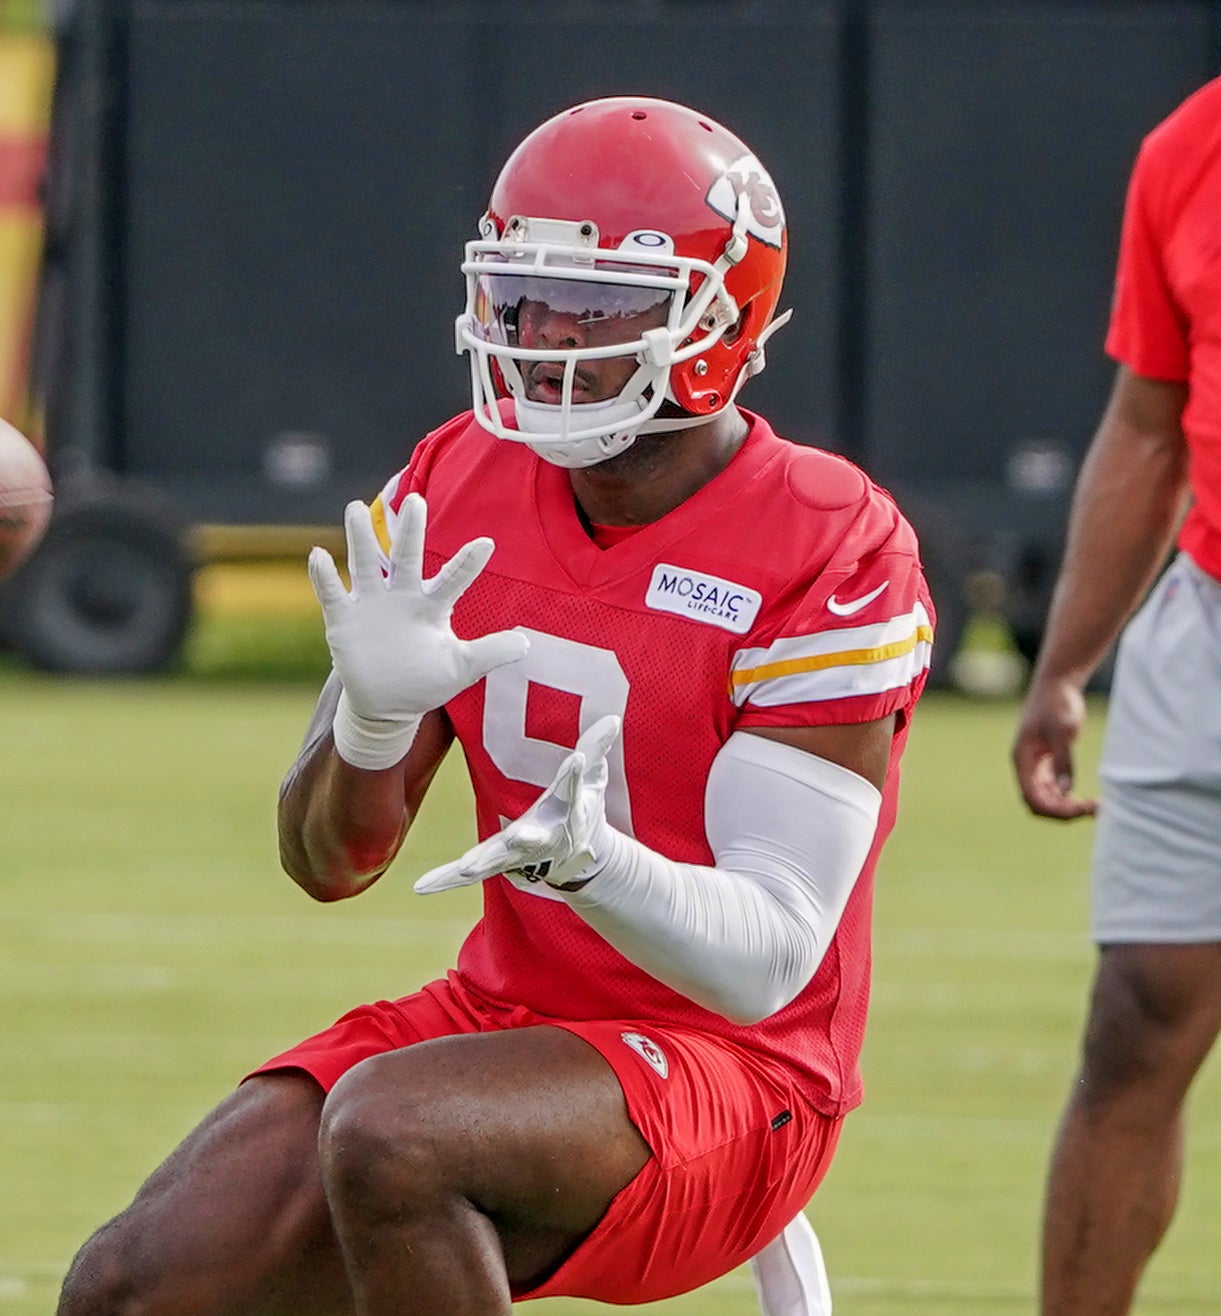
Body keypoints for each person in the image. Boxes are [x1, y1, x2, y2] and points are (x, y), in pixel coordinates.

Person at [56, 96, 932, 1314]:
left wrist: (597, 866)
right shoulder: (456, 476)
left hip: (740, 1076)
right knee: (132, 1283)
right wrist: (366, 719)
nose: (550, 332)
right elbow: (327, 863)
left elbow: (766, 965)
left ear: (715, 317)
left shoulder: (824, 537)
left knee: (397, 1132)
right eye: (528, 294)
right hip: (508, 1014)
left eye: (604, 302)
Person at [1011, 74, 1221, 1316]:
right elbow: (1147, 426)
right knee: (1135, 1018)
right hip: (1203, 619)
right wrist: (1059, 668)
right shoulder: (1187, 147)